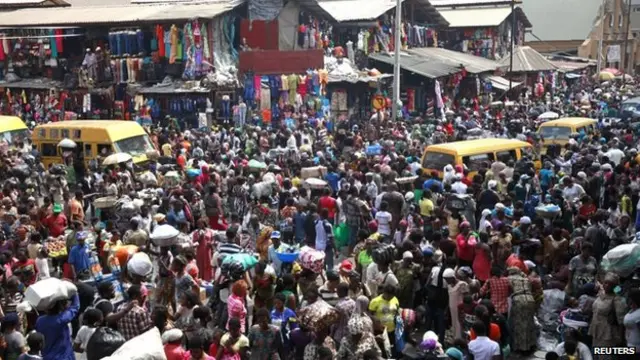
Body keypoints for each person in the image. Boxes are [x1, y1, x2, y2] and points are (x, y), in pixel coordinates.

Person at [35, 292, 79, 360]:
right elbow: (75, 307)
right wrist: (75, 294)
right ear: (60, 306)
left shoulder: (40, 320)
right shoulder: (62, 319)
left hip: (47, 356)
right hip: (63, 357)